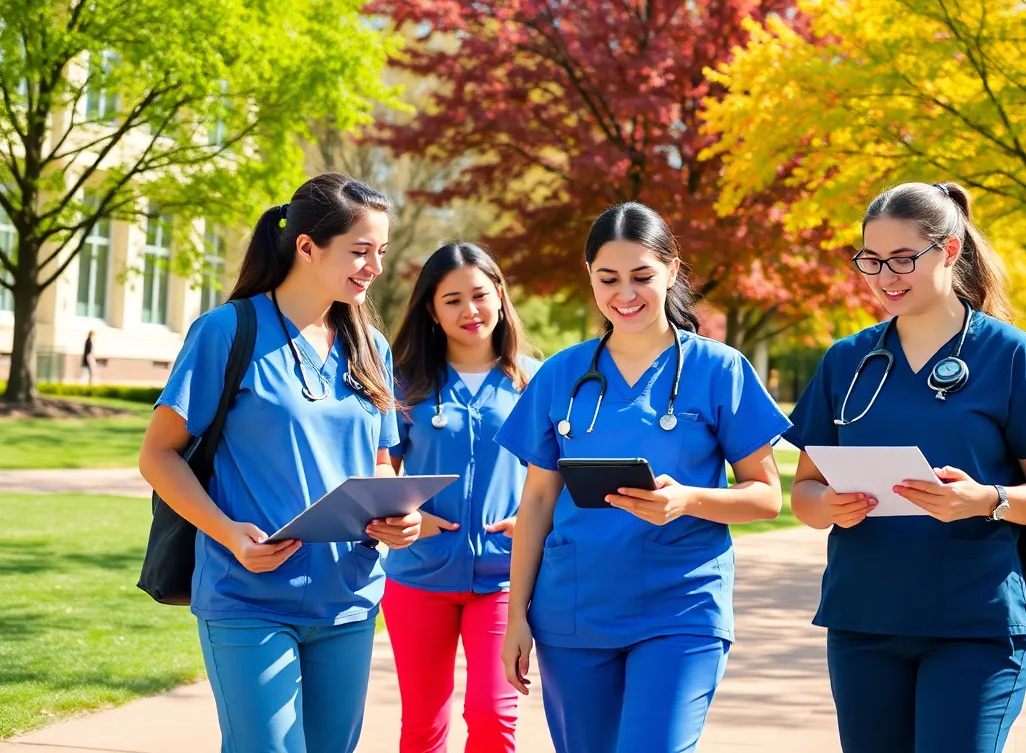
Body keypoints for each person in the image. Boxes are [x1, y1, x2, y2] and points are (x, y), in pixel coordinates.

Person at [784, 182, 1026, 753]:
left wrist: (987, 498)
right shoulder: (846, 360)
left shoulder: (1008, 354)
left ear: (948, 252)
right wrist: (827, 506)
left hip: (974, 627)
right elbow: (804, 490)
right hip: (863, 622)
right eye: (871, 261)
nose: (884, 277)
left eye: (902, 259)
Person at [137, 173, 422, 753]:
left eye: (381, 253)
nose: (374, 267)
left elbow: (380, 460)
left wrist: (400, 516)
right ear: (307, 246)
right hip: (247, 594)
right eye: (360, 251)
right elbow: (157, 455)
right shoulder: (226, 332)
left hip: (349, 597)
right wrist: (228, 534)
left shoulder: (371, 345)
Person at [494, 202, 791, 753]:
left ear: (672, 270)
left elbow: (768, 496)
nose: (624, 294)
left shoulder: (719, 369)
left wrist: (690, 500)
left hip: (681, 607)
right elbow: (536, 501)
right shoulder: (561, 373)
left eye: (641, 277)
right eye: (608, 279)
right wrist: (516, 617)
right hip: (575, 609)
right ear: (590, 277)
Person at [382, 242, 540, 753]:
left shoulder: (534, 381)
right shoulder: (404, 380)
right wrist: (408, 513)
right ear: (431, 308)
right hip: (418, 577)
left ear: (499, 294)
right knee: (423, 726)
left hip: (503, 580)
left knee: (493, 717)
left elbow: (560, 477)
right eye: (452, 300)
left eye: (478, 294)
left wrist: (537, 521)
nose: (469, 310)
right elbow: (379, 467)